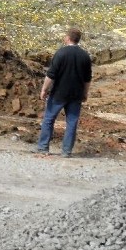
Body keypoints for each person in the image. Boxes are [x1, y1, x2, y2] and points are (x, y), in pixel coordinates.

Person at [35, 27, 92, 157]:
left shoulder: (61, 53)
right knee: (72, 122)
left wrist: (44, 89)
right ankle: (66, 151)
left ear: (68, 38)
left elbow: (51, 75)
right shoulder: (85, 56)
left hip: (59, 93)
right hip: (76, 94)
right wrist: (85, 93)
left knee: (49, 119)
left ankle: (43, 147)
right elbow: (87, 79)